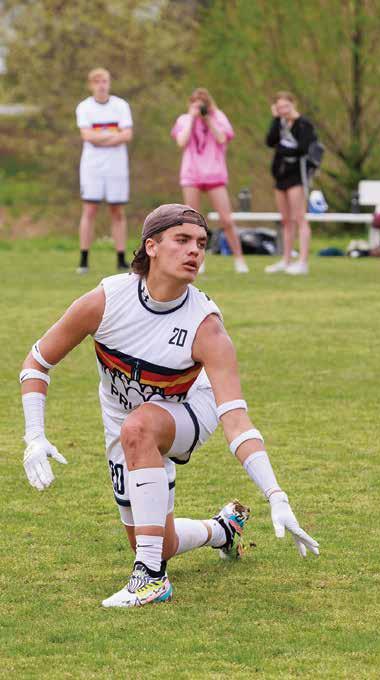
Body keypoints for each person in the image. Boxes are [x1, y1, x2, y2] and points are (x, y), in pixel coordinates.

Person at [19, 203, 319, 607]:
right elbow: (37, 362)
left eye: (201, 243)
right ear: (152, 246)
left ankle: (150, 580)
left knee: (140, 426)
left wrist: (276, 494)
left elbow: (236, 420)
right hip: (121, 420)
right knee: (157, 540)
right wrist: (34, 437)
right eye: (182, 240)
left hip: (192, 407)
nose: (195, 250)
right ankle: (222, 529)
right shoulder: (107, 300)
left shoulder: (206, 326)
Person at [172, 88, 248, 274]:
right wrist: (192, 118)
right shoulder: (184, 119)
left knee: (226, 219)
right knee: (192, 220)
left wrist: (207, 119)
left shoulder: (218, 117)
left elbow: (222, 138)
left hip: (214, 173)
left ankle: (239, 258)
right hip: (192, 173)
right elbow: (181, 142)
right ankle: (195, 258)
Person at [75, 68, 133, 274]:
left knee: (117, 211)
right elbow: (87, 136)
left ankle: (121, 258)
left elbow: (127, 135)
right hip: (92, 167)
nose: (101, 85)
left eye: (105, 81)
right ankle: (84, 259)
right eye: (97, 81)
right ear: (91, 85)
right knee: (89, 210)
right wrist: (113, 136)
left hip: (116, 167)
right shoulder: (84, 107)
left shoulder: (121, 106)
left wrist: (101, 138)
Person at [265, 92, 316, 276]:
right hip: (281, 175)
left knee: (299, 217)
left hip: (297, 176)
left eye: (286, 106)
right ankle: (286, 259)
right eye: (279, 108)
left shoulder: (304, 124)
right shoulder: (280, 124)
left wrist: (283, 148)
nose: (283, 110)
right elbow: (270, 141)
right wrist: (275, 119)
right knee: (286, 220)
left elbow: (303, 148)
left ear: (293, 104)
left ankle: (302, 261)